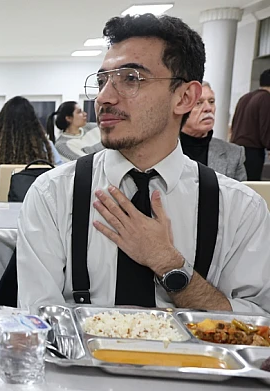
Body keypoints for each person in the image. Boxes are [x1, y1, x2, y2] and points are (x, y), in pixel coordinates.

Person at [17, 14, 270, 313]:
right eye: (102, 81)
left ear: (184, 97)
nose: (104, 98)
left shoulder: (239, 209)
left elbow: (256, 322)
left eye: (131, 79)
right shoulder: (53, 194)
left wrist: (169, 264)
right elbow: (38, 320)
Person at [0, 96, 62, 201]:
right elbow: (59, 171)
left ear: (1, 122)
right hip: (39, 202)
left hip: (3, 205)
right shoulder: (44, 146)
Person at [180, 82, 246, 181]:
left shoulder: (234, 154)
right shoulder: (162, 150)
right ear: (181, 108)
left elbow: (240, 191)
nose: (208, 108)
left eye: (211, 102)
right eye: (198, 103)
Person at [230, 69, 270, 181]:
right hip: (252, 153)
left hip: (235, 148)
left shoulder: (245, 97)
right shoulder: (266, 98)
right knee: (250, 186)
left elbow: (234, 123)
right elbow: (266, 128)